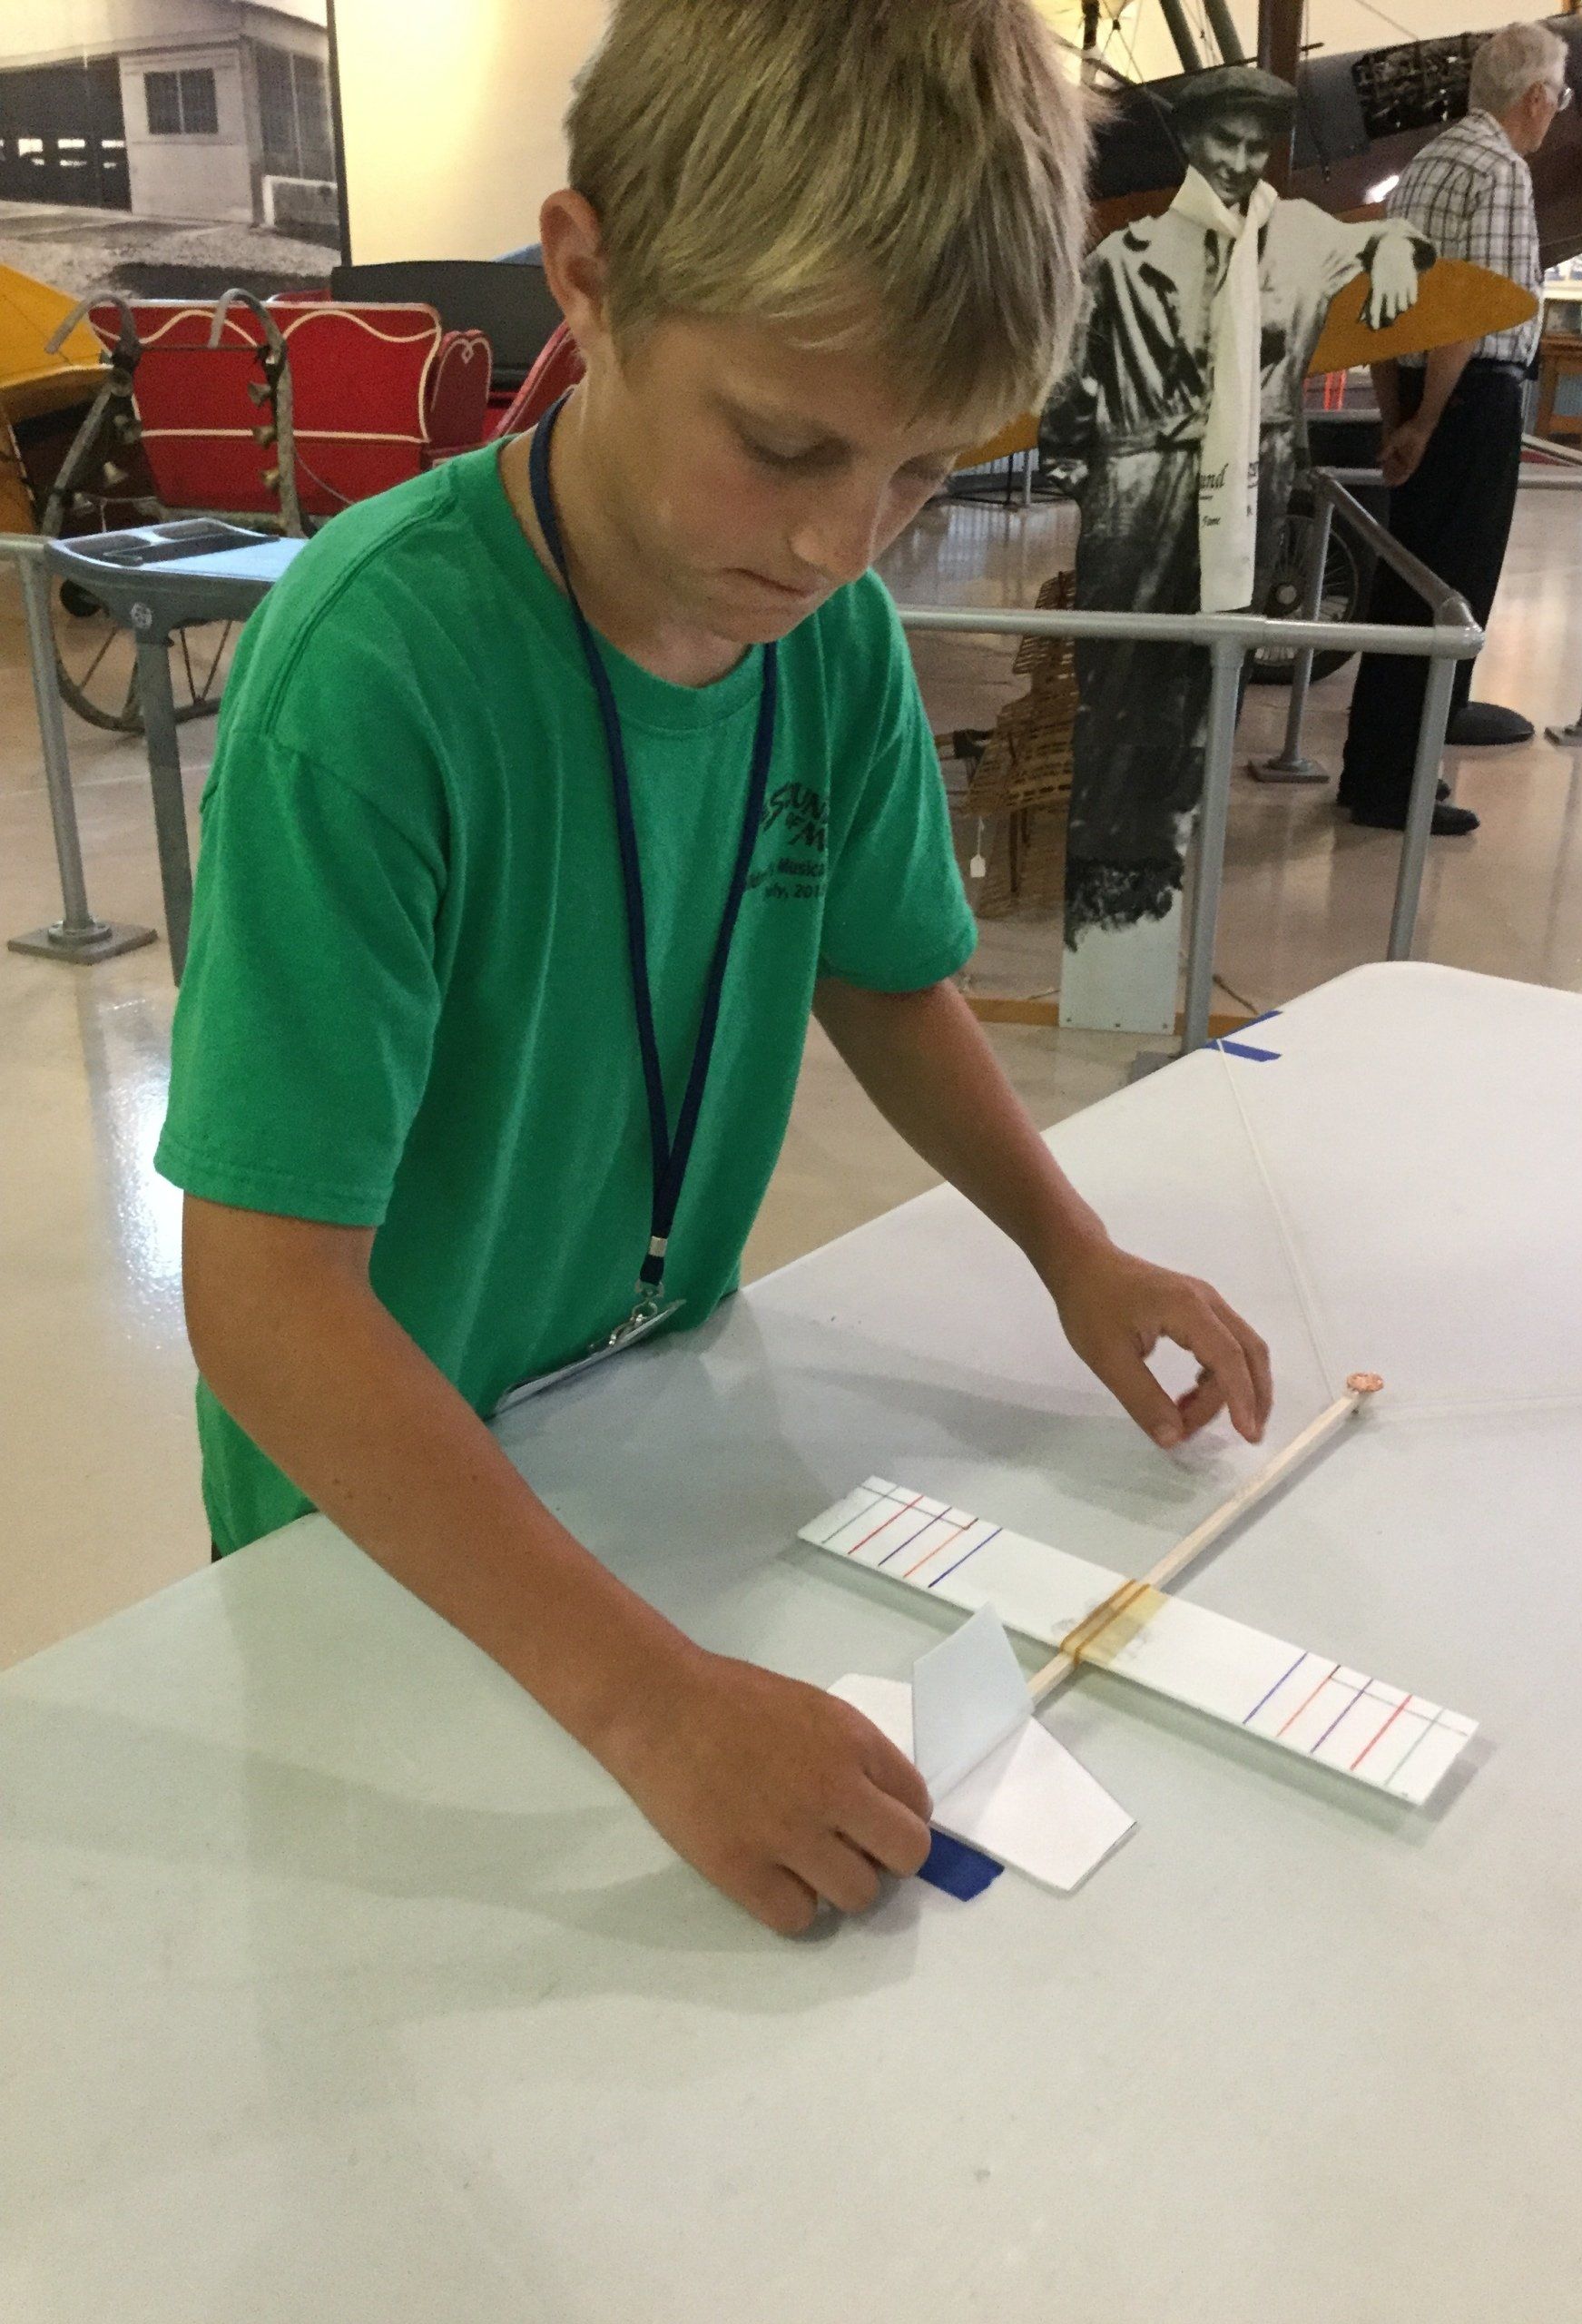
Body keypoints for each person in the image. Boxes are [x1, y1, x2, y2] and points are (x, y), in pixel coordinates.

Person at [153, 0, 1273, 1939]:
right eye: (782, 445)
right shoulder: (374, 674)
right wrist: (645, 1699)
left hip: (646, 1441)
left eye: (922, 472)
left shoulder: (821, 640)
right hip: (379, 1519)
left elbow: (885, 973)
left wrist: (1071, 1250)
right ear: (586, 278)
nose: (843, 541)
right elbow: (261, 1299)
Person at [1038, 65, 1429, 942]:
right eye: (1225, 139)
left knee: (1208, 693)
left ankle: (1169, 875)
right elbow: (1065, 400)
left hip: (1249, 497)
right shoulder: (1124, 258)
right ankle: (1112, 895)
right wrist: (1103, 484)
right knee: (1121, 689)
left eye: (1258, 144)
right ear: (1189, 142)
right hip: (1137, 495)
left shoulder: (1299, 239)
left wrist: (1398, 249)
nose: (1241, 160)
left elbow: (1389, 234)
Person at [1339, 20, 1567, 837]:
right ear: (1534, 97)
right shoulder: (1498, 168)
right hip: (1470, 403)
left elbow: (1383, 307)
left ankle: (1374, 770)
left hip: (1420, 393)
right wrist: (1430, 424)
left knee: (1404, 589)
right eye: (1557, 97)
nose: (1555, 112)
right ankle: (1397, 786)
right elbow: (1468, 313)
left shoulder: (1426, 164)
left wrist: (1399, 416)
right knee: (1450, 594)